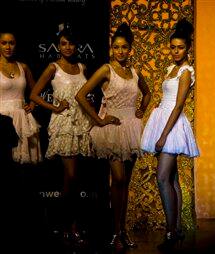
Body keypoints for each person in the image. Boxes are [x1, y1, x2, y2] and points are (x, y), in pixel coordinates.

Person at [75, 23, 151, 249]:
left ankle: (122, 232)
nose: (120, 51)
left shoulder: (135, 73)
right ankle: (115, 231)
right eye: (116, 47)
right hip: (112, 128)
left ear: (130, 49)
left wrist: (142, 110)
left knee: (124, 183)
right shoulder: (106, 70)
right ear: (112, 49)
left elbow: (147, 93)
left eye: (124, 47)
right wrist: (98, 120)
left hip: (131, 128)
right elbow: (81, 95)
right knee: (117, 179)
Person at [29, 24, 93, 245]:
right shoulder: (52, 67)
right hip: (64, 125)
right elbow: (35, 94)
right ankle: (69, 225)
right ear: (58, 45)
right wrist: (54, 107)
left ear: (76, 45)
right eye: (63, 43)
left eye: (71, 43)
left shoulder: (83, 67)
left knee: (73, 181)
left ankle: (67, 225)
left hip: (81, 125)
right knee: (72, 176)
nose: (67, 47)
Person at [139, 19, 199, 251]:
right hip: (161, 118)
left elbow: (178, 105)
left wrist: (163, 135)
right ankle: (178, 229)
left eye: (180, 47)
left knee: (162, 178)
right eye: (172, 47)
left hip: (172, 124)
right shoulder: (169, 69)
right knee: (172, 179)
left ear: (187, 48)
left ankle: (170, 231)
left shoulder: (186, 72)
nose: (175, 51)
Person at [0, 30, 41, 164]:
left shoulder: (23, 67)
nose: (8, 47)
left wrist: (32, 104)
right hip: (2, 119)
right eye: (4, 43)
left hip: (23, 119)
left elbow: (36, 90)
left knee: (23, 166)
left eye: (11, 43)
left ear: (16, 45)